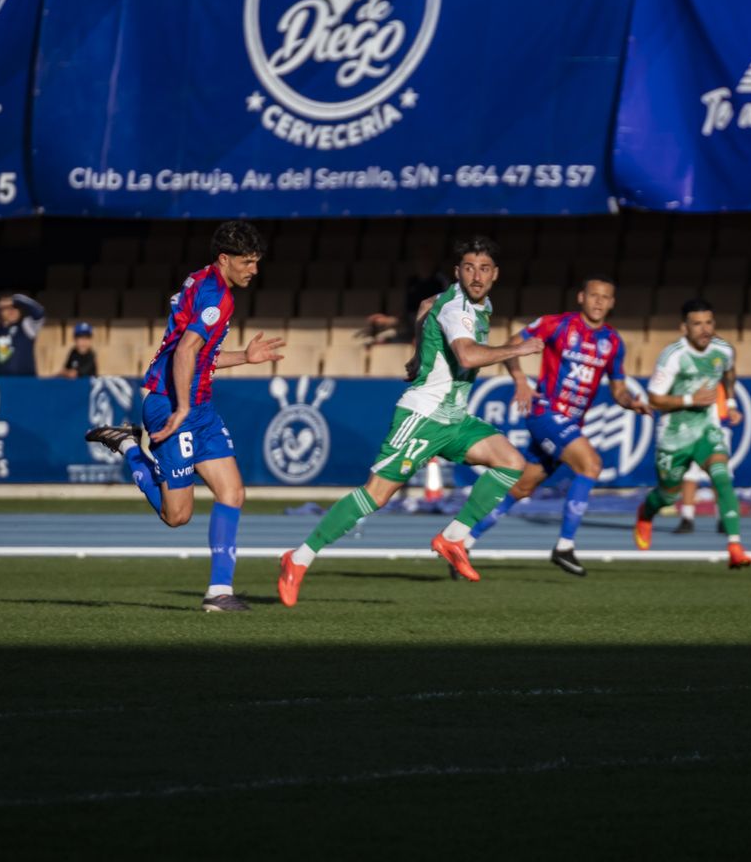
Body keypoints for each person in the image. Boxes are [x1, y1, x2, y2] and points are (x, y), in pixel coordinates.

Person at [277, 236, 543, 607]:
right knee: (376, 495)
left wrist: (419, 351)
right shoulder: (457, 308)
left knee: (512, 463)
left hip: (453, 418)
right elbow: (466, 356)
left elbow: (424, 304)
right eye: (468, 268)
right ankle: (299, 557)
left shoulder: (474, 303)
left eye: (484, 269)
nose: (476, 276)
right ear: (457, 272)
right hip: (422, 416)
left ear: (495, 274)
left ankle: (453, 537)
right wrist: (518, 349)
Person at [85, 222, 284, 613]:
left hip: (198, 406)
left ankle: (218, 592)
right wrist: (181, 408)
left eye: (257, 262)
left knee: (233, 492)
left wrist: (245, 356)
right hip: (172, 405)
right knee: (177, 516)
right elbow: (184, 353)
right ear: (225, 259)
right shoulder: (217, 296)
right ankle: (129, 447)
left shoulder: (201, 280)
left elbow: (198, 355)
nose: (253, 270)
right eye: (248, 262)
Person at [464, 277, 650, 576]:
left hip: (569, 422)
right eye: (593, 295)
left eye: (605, 297)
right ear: (581, 297)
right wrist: (521, 381)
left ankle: (463, 540)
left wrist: (631, 402)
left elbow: (618, 390)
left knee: (522, 487)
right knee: (591, 464)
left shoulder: (613, 342)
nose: (599, 302)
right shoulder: (559, 325)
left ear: (612, 302)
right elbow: (513, 342)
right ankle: (564, 546)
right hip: (545, 413)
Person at [633, 299, 750, 568]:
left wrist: (730, 403)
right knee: (668, 496)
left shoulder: (723, 350)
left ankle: (735, 546)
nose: (704, 329)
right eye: (697, 324)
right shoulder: (673, 356)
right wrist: (690, 400)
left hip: (706, 429)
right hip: (674, 437)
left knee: (722, 477)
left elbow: (729, 371)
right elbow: (654, 399)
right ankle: (645, 513)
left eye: (708, 322)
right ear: (684, 327)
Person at [0, 292, 45, 376]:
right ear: (0, 311)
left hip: (26, 382)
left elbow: (40, 312)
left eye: (15, 307)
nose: (12, 310)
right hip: (2, 383)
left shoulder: (26, 325)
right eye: (6, 308)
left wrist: (17, 299)